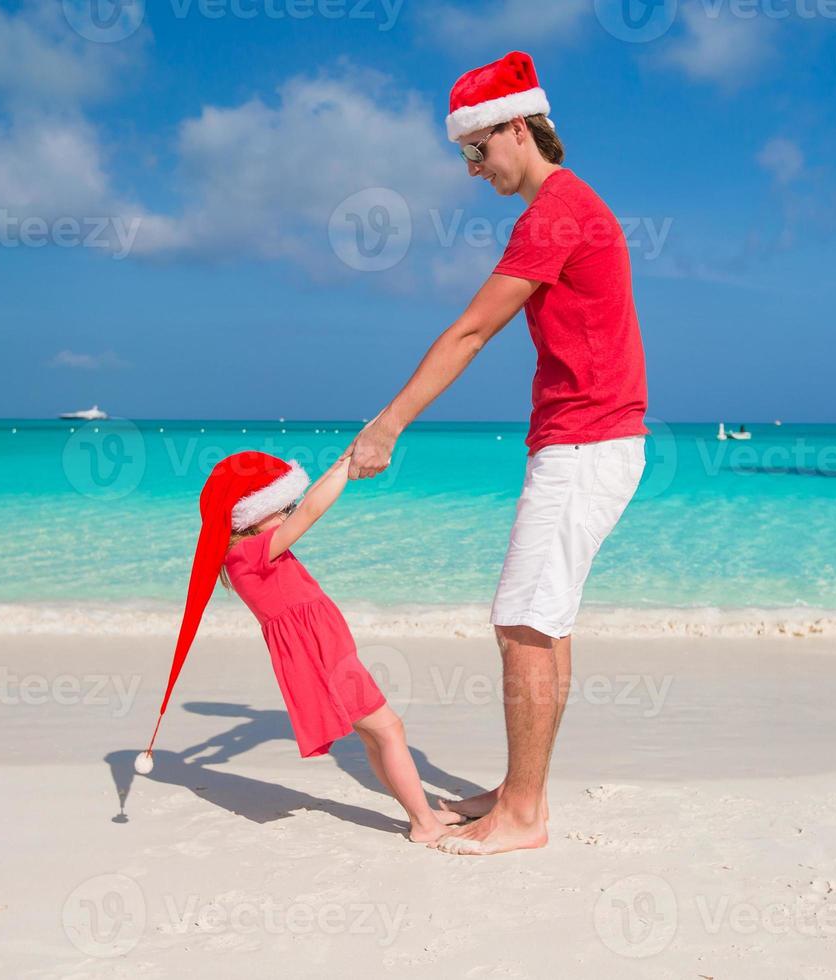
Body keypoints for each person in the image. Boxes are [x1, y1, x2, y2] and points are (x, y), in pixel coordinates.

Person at [346, 52, 650, 855]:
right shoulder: (572, 207)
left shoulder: (556, 213)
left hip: (586, 443)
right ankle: (521, 792)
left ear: (520, 127)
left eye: (478, 150)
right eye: (464, 156)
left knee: (519, 625)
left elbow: (473, 330)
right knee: (543, 627)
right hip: (588, 440)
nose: (473, 169)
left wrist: (388, 424)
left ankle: (524, 817)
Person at [134, 450, 463, 843]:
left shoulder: (247, 552)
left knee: (376, 735)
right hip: (319, 656)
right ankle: (424, 823)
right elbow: (310, 512)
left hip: (323, 651)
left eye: (287, 504)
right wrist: (345, 466)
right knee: (389, 729)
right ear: (249, 514)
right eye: (280, 506)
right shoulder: (247, 553)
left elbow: (227, 743)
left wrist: (211, 750)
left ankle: (420, 815)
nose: (288, 512)